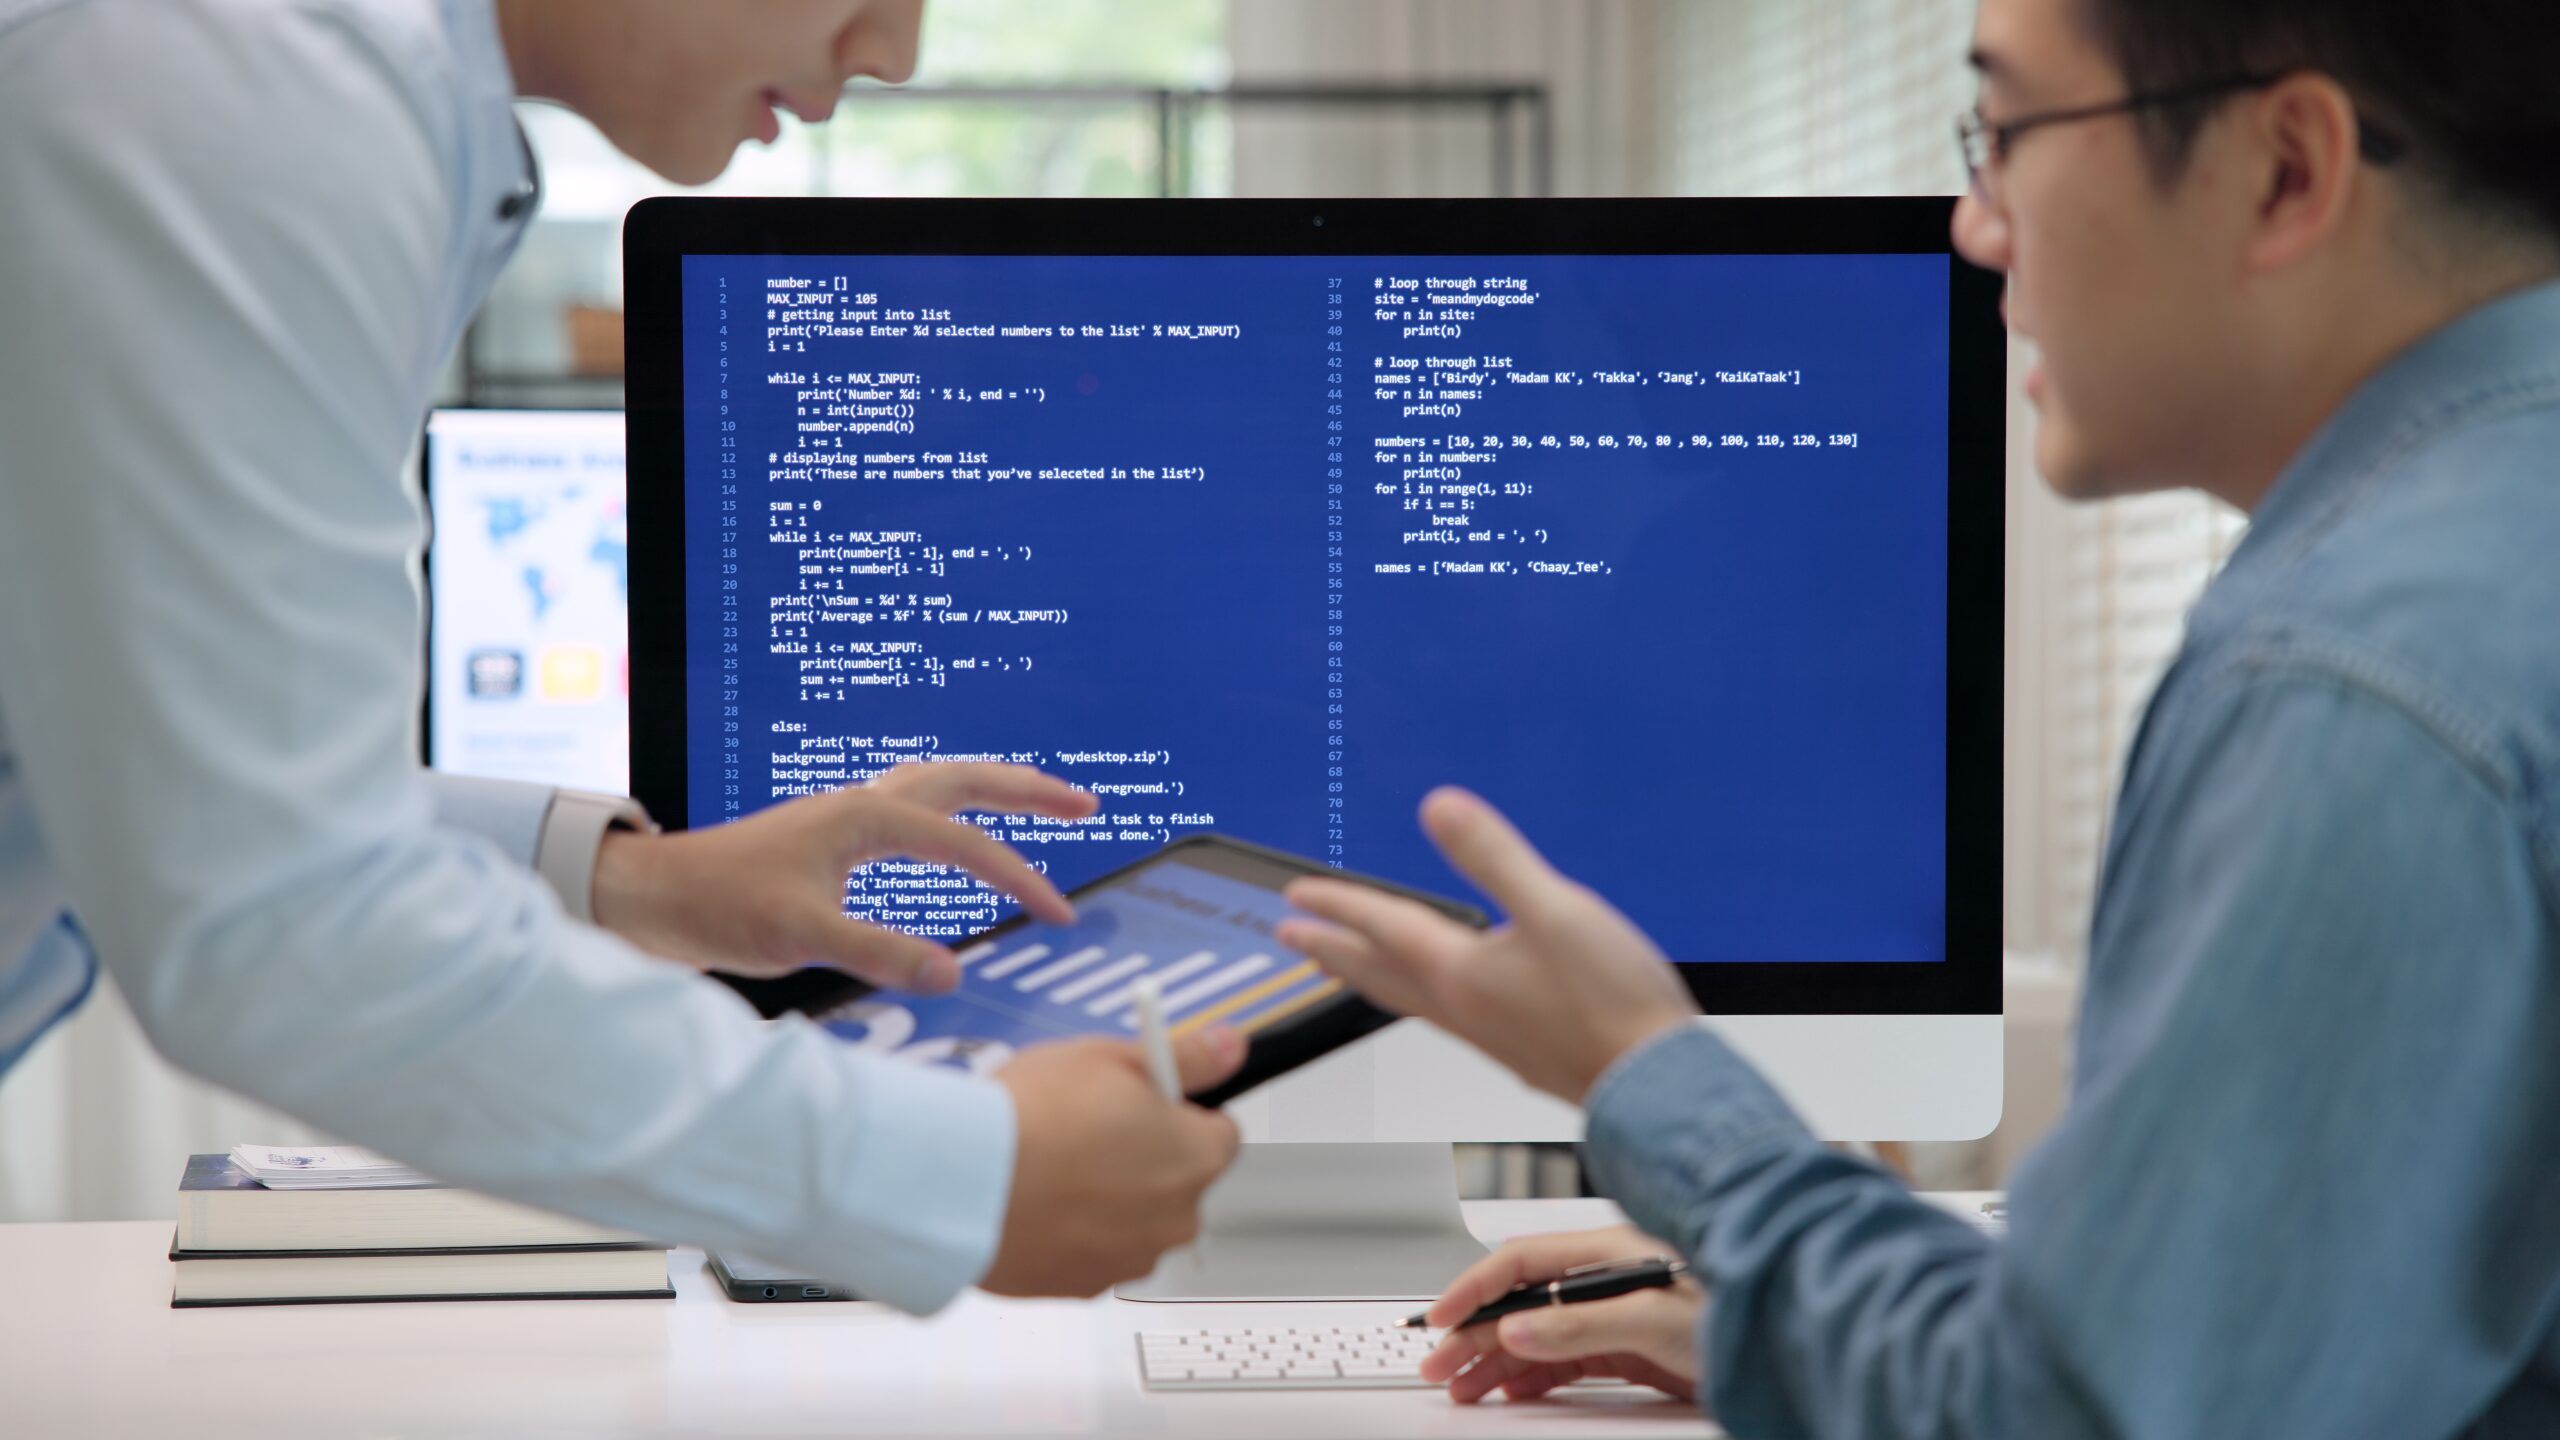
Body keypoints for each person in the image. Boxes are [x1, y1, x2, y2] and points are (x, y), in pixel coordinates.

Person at [1278, 0, 2560, 1432]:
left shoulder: (2353, 680)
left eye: (2007, 134)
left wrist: (1647, 1074)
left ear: (2285, 168)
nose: (1974, 226)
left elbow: (2065, 1419)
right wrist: (1809, 1296)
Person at [0, 0, 1241, 1312]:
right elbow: (281, 922)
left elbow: (160, 761)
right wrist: (942, 1173)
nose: (894, 52)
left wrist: (636, 883)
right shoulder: (249, 88)